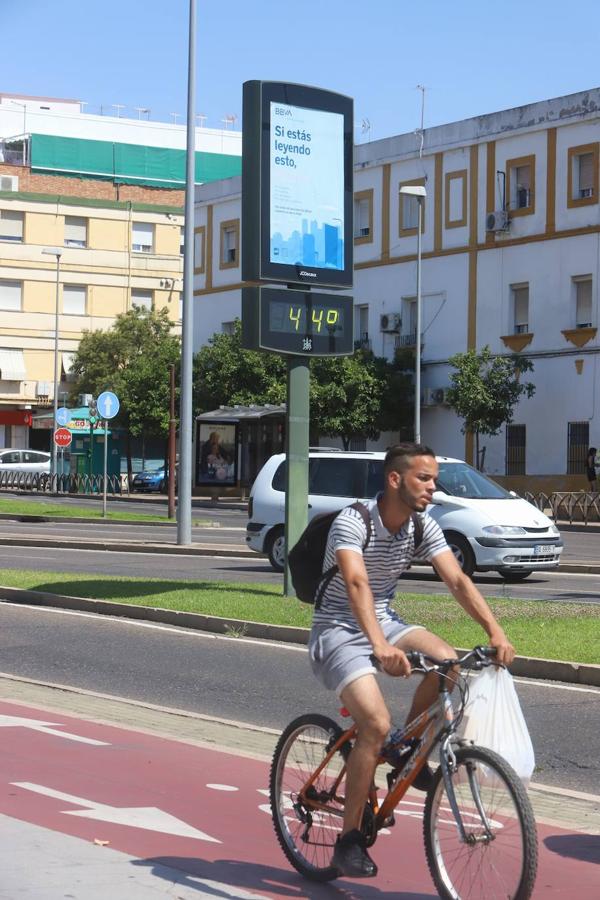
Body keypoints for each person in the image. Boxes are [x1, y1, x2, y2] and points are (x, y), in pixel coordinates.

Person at [307, 442, 515, 879]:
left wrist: (494, 630)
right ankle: (348, 842)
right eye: (424, 478)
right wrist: (380, 646)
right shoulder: (354, 521)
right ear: (395, 479)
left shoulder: (422, 525)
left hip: (386, 619)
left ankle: (402, 753)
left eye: (434, 479)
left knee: (448, 663)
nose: (432, 488)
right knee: (375, 724)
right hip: (338, 630)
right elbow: (357, 581)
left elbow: (456, 578)